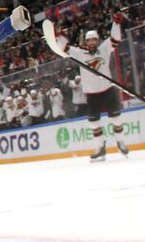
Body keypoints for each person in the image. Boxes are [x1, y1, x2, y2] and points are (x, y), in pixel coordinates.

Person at [54, 16, 128, 161]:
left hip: (108, 89)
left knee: (116, 119)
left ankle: (121, 142)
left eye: (94, 39)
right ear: (86, 42)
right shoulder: (80, 54)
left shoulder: (105, 48)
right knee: (94, 123)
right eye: (89, 40)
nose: (91, 42)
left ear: (97, 40)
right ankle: (101, 148)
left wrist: (116, 23)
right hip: (92, 94)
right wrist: (58, 35)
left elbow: (115, 38)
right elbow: (65, 48)